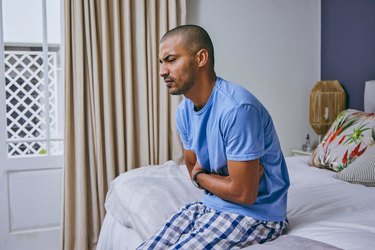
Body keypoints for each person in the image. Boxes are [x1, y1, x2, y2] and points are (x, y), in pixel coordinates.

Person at [137, 24, 290, 249]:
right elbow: (193, 169)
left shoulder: (237, 109)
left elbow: (244, 194)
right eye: (161, 63)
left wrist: (202, 177)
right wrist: (209, 178)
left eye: (171, 59)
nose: (162, 71)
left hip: (257, 215)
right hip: (212, 204)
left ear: (201, 58)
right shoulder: (184, 112)